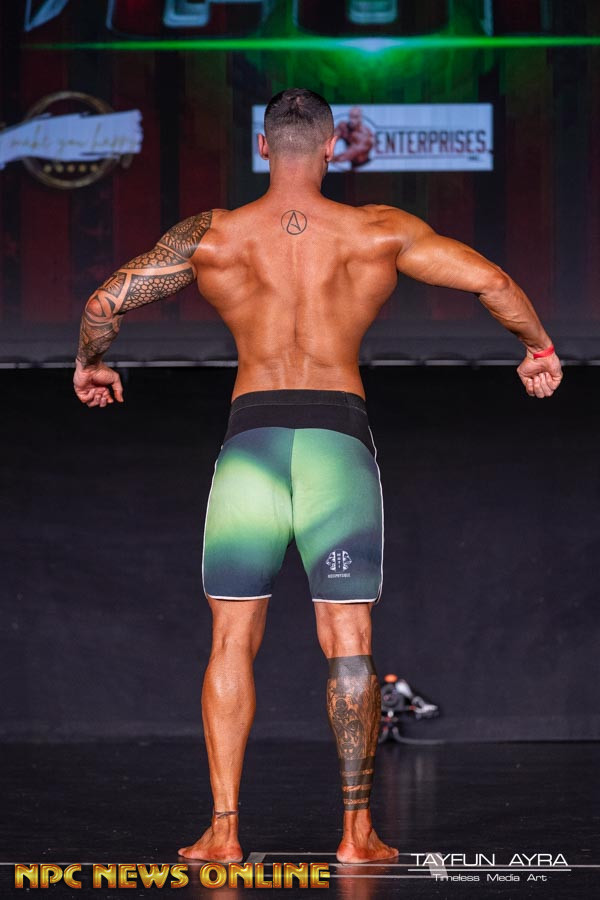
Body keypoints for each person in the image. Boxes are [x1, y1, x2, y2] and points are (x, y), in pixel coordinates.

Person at [73, 88, 563, 864]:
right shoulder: (378, 231)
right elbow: (493, 283)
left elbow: (106, 301)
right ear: (334, 147)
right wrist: (538, 348)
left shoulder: (214, 234)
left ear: (263, 147)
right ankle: (357, 834)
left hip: (252, 446)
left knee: (231, 637)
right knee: (348, 636)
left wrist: (92, 363)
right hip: (337, 441)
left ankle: (224, 832)